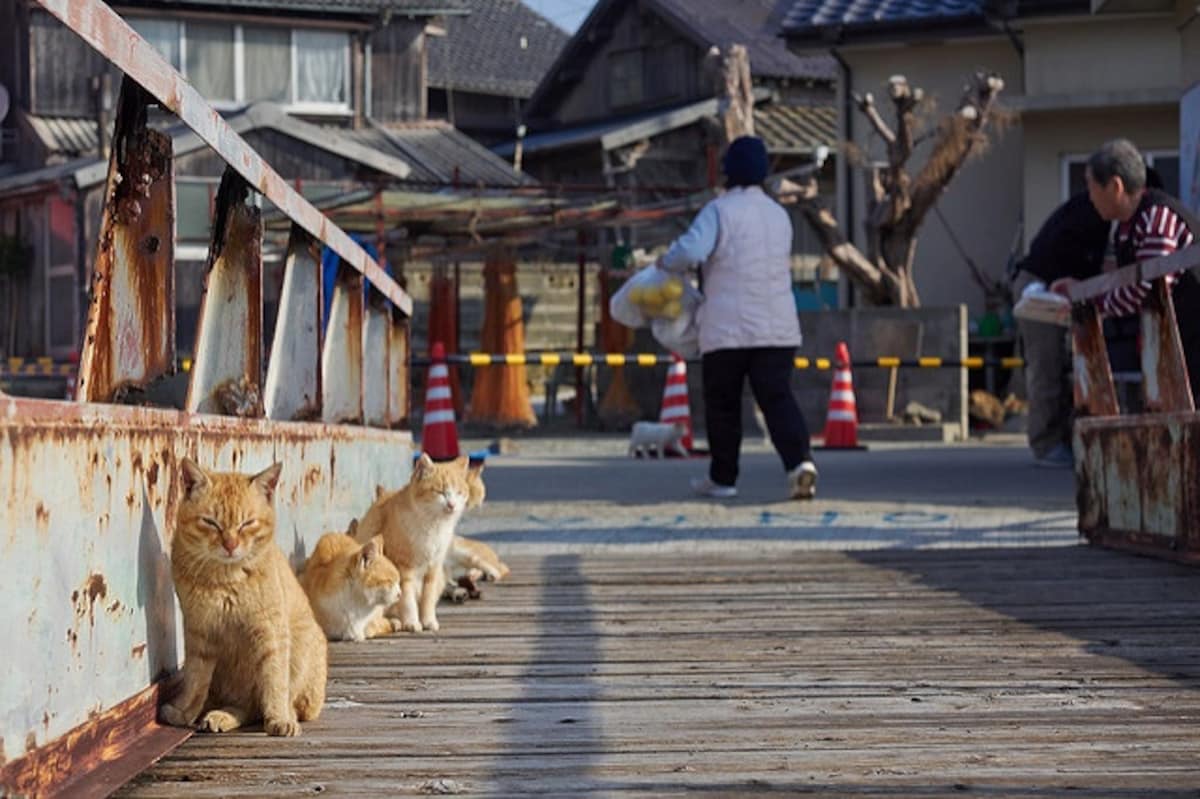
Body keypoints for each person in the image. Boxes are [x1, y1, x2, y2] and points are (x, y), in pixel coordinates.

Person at [655, 136, 817, 500]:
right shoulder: (779, 215)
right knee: (777, 398)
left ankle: (723, 478)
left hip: (727, 329)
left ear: (728, 171)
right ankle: (799, 463)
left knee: (724, 404)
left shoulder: (719, 210)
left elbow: (692, 250)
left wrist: (667, 261)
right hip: (778, 328)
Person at [1052, 140, 1200, 401]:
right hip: (1176, 349)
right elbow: (1121, 284)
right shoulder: (1124, 228)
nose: (1089, 196)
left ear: (1116, 186)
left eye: (1091, 185)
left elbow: (1148, 289)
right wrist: (1079, 291)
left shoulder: (1156, 219)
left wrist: (1087, 303)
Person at [1011, 193, 1110, 467]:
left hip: (1051, 288)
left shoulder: (1086, 210)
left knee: (1062, 368)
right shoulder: (1090, 214)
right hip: (1040, 290)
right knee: (1047, 367)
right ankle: (1046, 444)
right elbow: (1073, 259)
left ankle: (1060, 439)